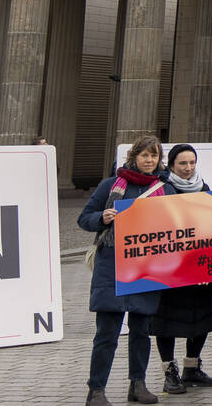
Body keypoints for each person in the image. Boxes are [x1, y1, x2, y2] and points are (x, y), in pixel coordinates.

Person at [80, 136, 166, 406]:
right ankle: (96, 390)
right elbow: (84, 218)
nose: (149, 160)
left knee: (141, 332)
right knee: (107, 334)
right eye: (144, 155)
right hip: (112, 269)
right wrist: (101, 218)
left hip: (146, 269)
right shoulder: (110, 185)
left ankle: (137, 385)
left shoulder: (166, 190)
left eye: (154, 156)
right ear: (134, 157)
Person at [152, 145, 212, 394]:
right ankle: (169, 372)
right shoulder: (159, 189)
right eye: (183, 163)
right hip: (170, 270)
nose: (188, 168)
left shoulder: (204, 188)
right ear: (171, 165)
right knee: (166, 322)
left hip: (198, 268)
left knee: (201, 317)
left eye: (192, 162)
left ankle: (192, 367)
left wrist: (208, 267)